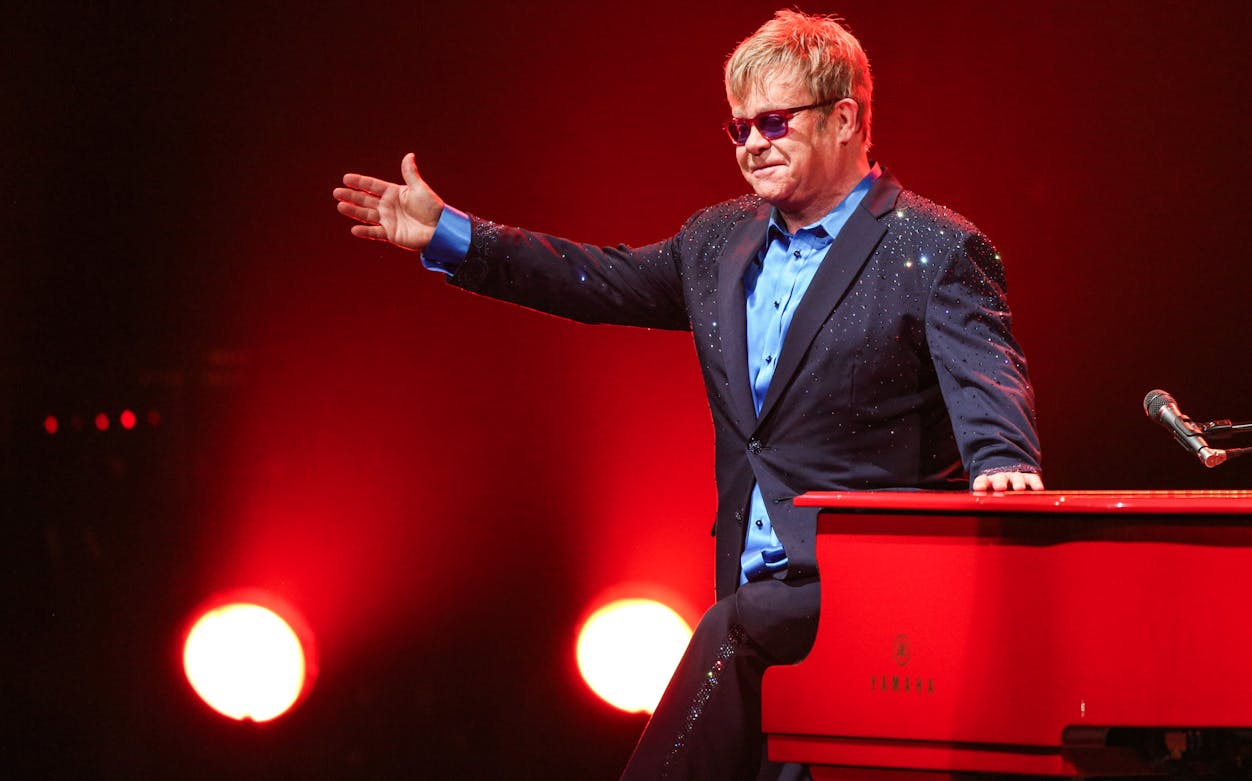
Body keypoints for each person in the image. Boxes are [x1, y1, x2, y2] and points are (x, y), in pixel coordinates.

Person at [333, 9, 1042, 780]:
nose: (752, 145)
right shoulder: (718, 241)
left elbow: (987, 374)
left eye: (773, 122)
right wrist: (454, 235)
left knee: (733, 635)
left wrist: (1004, 460)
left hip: (869, 580)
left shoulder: (932, 247)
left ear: (845, 119)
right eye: (739, 128)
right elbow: (595, 280)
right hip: (755, 582)